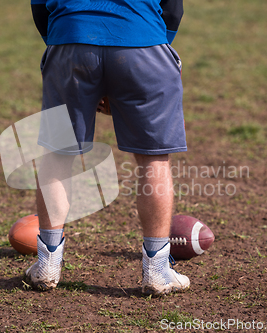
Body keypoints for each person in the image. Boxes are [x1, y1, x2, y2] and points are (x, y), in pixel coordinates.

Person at [25, 0, 189, 295]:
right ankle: (157, 271)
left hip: (70, 41)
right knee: (154, 160)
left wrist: (63, 40)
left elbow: (40, 7)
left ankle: (47, 264)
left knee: (58, 154)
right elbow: (172, 9)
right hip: (143, 42)